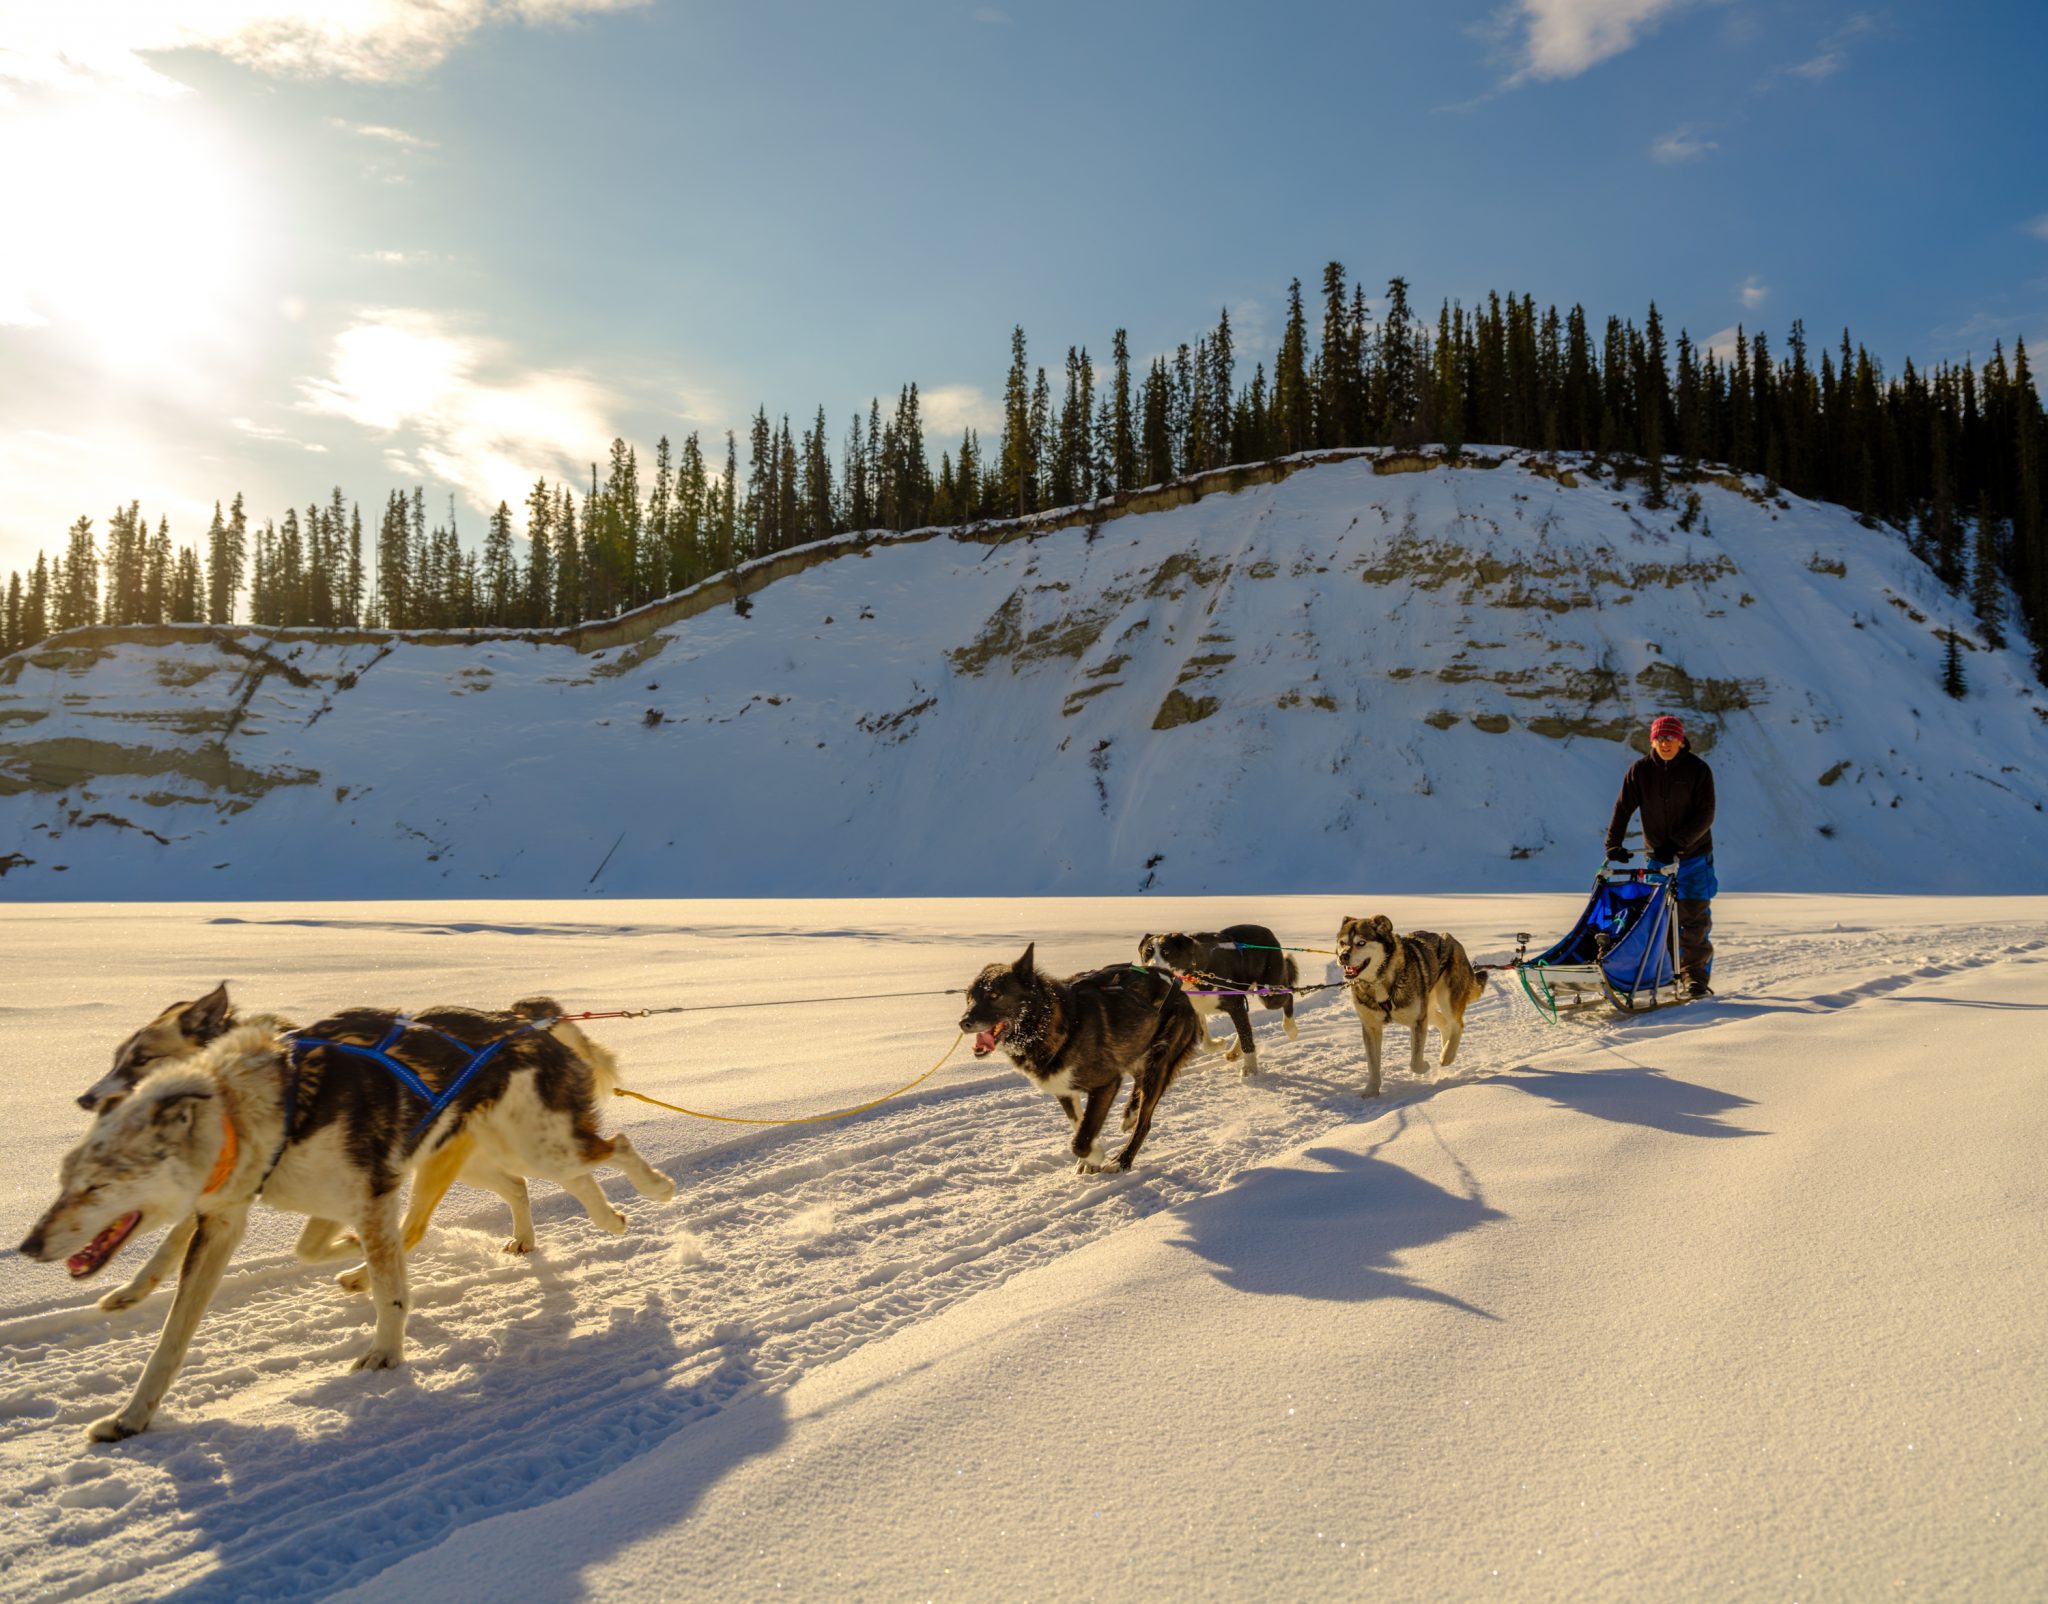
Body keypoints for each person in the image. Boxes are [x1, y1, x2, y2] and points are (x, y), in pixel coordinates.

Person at [1604, 713, 1717, 998]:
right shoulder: (1640, 771)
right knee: (1657, 920)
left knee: (1693, 920)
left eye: (1670, 738)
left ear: (1681, 740)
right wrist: (1613, 845)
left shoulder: (1697, 770)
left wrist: (1678, 843)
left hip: (1693, 857)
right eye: (1659, 738)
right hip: (1657, 859)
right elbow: (1622, 808)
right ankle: (1663, 975)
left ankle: (1695, 978)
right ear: (1652, 741)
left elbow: (1706, 815)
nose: (1665, 743)